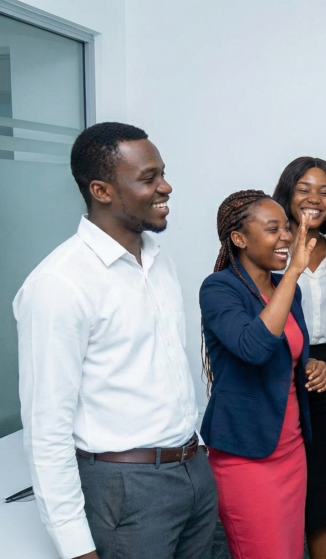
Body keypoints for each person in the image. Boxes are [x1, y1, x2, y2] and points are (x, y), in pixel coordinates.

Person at [14, 122, 217, 559]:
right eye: (149, 178)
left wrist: (196, 459)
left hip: (192, 471)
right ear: (102, 191)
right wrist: (74, 546)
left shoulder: (159, 262)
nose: (166, 186)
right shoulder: (59, 284)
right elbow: (46, 429)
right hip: (124, 490)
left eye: (162, 172)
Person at [199, 190, 326, 559]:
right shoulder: (220, 289)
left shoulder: (289, 292)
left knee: (289, 552)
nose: (286, 238)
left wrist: (310, 364)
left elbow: (289, 350)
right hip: (246, 456)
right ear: (239, 239)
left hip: (291, 448)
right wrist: (292, 275)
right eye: (273, 229)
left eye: (287, 228)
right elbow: (253, 348)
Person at [271, 156, 326, 559]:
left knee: (322, 482)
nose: (314, 198)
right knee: (279, 483)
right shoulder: (268, 251)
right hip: (278, 368)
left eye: (324, 191)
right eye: (303, 189)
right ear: (287, 193)